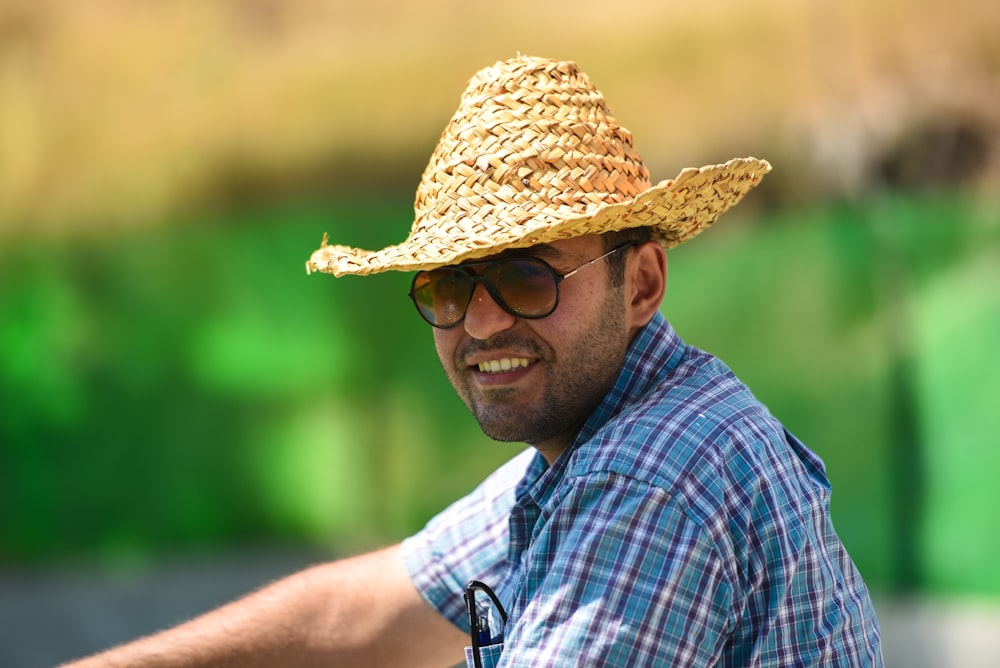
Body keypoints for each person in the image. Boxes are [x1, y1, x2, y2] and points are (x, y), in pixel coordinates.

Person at [62, 55, 883, 667]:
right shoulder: (596, 443)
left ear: (641, 282)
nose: (482, 320)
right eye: (451, 284)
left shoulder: (649, 475)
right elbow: (353, 619)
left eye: (528, 273)